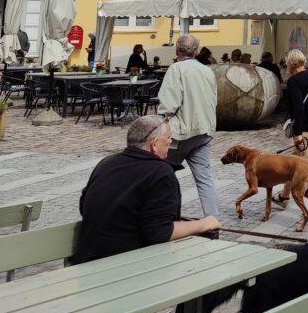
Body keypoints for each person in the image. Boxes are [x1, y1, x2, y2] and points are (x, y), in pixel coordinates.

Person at [72, 115, 220, 264]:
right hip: (125, 266)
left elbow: (84, 207)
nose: (170, 142)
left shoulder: (106, 163)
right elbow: (159, 233)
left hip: (87, 260)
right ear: (154, 144)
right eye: (168, 138)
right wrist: (205, 223)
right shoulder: (161, 172)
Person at [158, 34, 219, 219]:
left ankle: (167, 217)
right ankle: (213, 220)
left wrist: (163, 124)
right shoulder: (207, 70)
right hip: (204, 130)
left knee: (163, 173)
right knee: (205, 178)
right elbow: (214, 99)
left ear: (177, 51)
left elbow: (169, 104)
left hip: (180, 132)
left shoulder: (176, 69)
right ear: (197, 52)